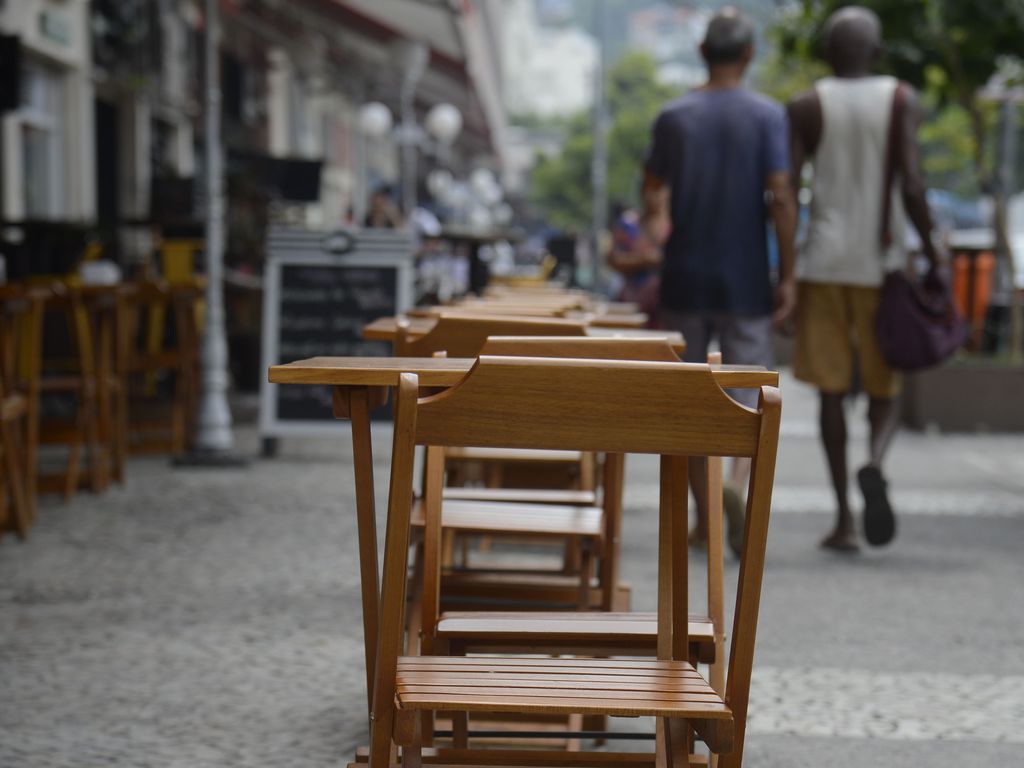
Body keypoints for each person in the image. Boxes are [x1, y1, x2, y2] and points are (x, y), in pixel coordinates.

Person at [639, 7, 798, 555]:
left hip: (684, 277)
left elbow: (652, 193)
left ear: (702, 53)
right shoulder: (767, 116)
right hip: (747, 278)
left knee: (688, 398)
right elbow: (781, 197)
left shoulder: (673, 116)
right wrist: (789, 274)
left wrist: (658, 231)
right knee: (747, 396)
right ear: (749, 55)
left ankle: (705, 515)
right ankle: (733, 485)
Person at [787, 6, 941, 552]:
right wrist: (934, 251)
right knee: (885, 384)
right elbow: (912, 184)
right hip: (883, 264)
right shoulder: (900, 98)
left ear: (828, 53)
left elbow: (786, 190)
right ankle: (874, 461)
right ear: (877, 52)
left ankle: (844, 520)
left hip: (824, 263)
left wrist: (785, 272)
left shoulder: (807, 104)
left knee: (830, 391)